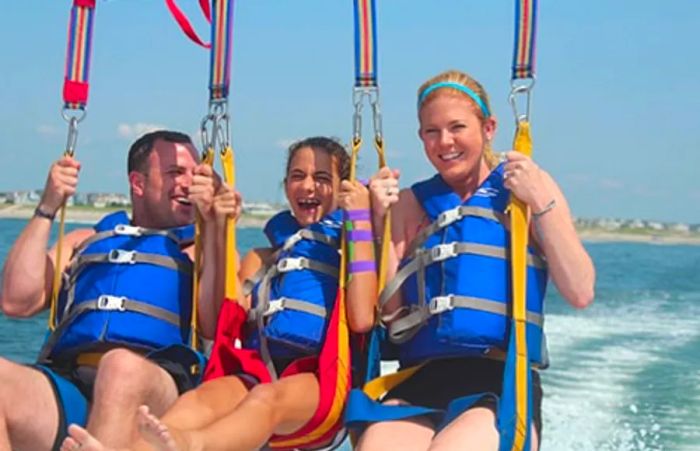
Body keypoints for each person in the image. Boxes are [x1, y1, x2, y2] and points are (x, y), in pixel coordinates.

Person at [61, 136, 378, 451]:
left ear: (343, 188)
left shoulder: (348, 251)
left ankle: (191, 445)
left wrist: (360, 219)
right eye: (298, 176)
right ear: (285, 185)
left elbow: (362, 319)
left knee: (265, 400)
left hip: (321, 383)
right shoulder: (262, 258)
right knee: (199, 401)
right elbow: (219, 324)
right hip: (258, 372)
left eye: (322, 178)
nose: (308, 186)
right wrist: (220, 225)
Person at [353, 70, 596, 450]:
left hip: (501, 381)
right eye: (431, 131)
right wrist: (378, 223)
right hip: (420, 378)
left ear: (489, 128)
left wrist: (539, 202)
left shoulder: (527, 189)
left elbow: (580, 290)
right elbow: (390, 318)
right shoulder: (409, 204)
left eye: (456, 127)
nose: (444, 142)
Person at [0, 130, 237, 450]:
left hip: (155, 391)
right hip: (72, 385)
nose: (188, 183)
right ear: (138, 183)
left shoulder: (201, 250)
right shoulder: (85, 241)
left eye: (194, 175)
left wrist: (213, 226)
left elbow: (214, 325)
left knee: (119, 367)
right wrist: (48, 205)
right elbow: (16, 300)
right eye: (175, 173)